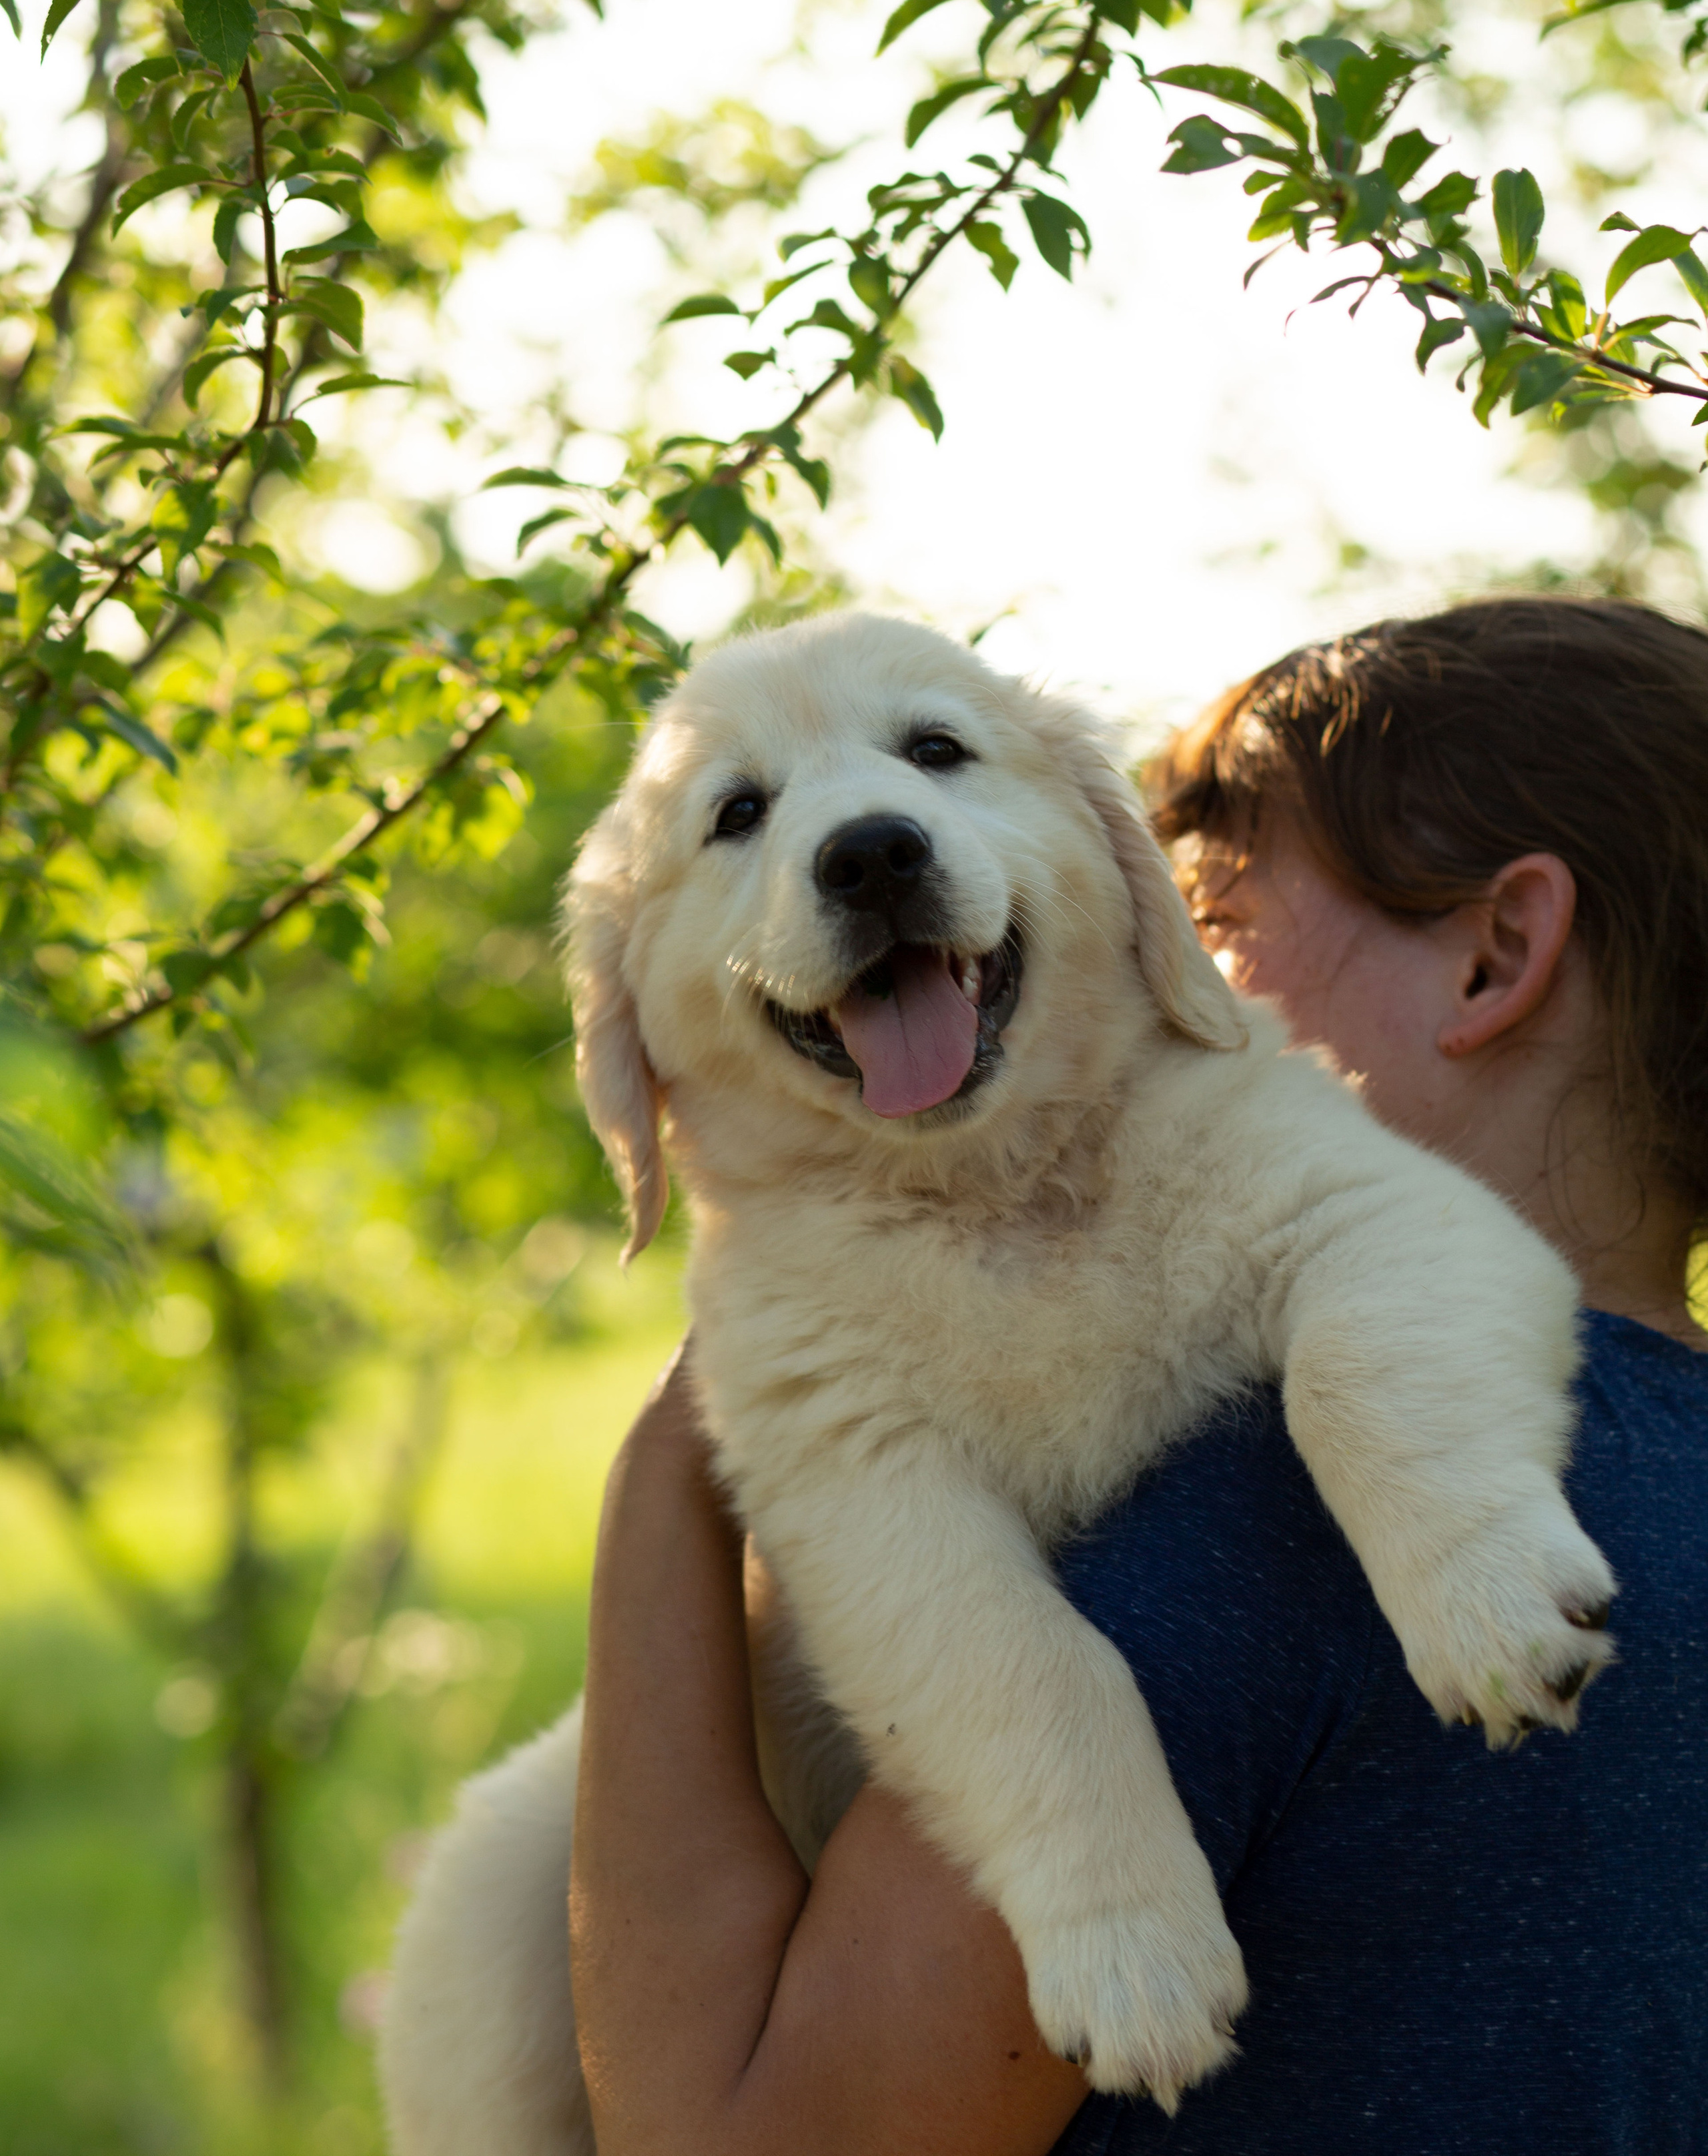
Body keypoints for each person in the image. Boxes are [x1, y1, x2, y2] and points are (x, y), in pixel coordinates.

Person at [568, 595, 1708, 2156]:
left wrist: (660, 1482)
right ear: (628, 997)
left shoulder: (1235, 1541)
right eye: (738, 814)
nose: (863, 834)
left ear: (1498, 955)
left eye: (1225, 918)